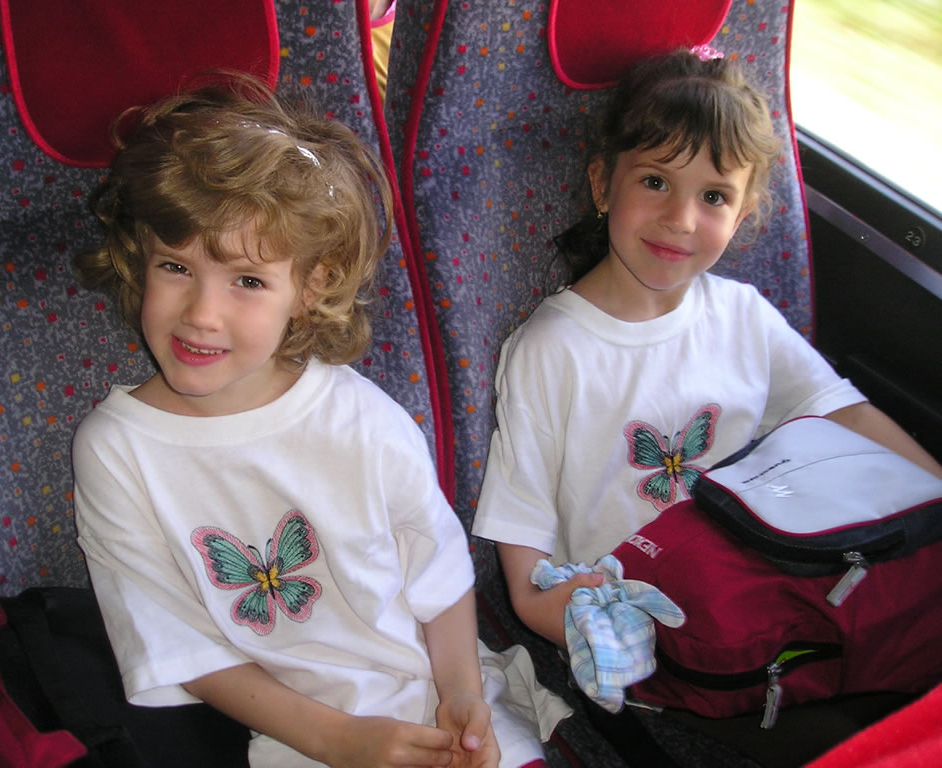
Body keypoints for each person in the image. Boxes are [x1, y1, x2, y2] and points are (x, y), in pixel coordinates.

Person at [72, 73, 569, 768]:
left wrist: (461, 694)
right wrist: (337, 739)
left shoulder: (359, 418)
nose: (201, 314)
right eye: (175, 267)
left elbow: (438, 571)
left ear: (309, 288)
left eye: (248, 280)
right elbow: (179, 641)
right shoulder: (118, 451)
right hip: (293, 736)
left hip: (433, 686)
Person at [471, 47, 942, 653]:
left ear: (743, 214)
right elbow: (524, 522)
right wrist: (543, 606)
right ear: (603, 184)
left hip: (755, 596)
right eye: (656, 182)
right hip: (631, 624)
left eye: (714, 197)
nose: (682, 219)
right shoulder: (549, 350)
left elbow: (845, 416)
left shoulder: (743, 316)